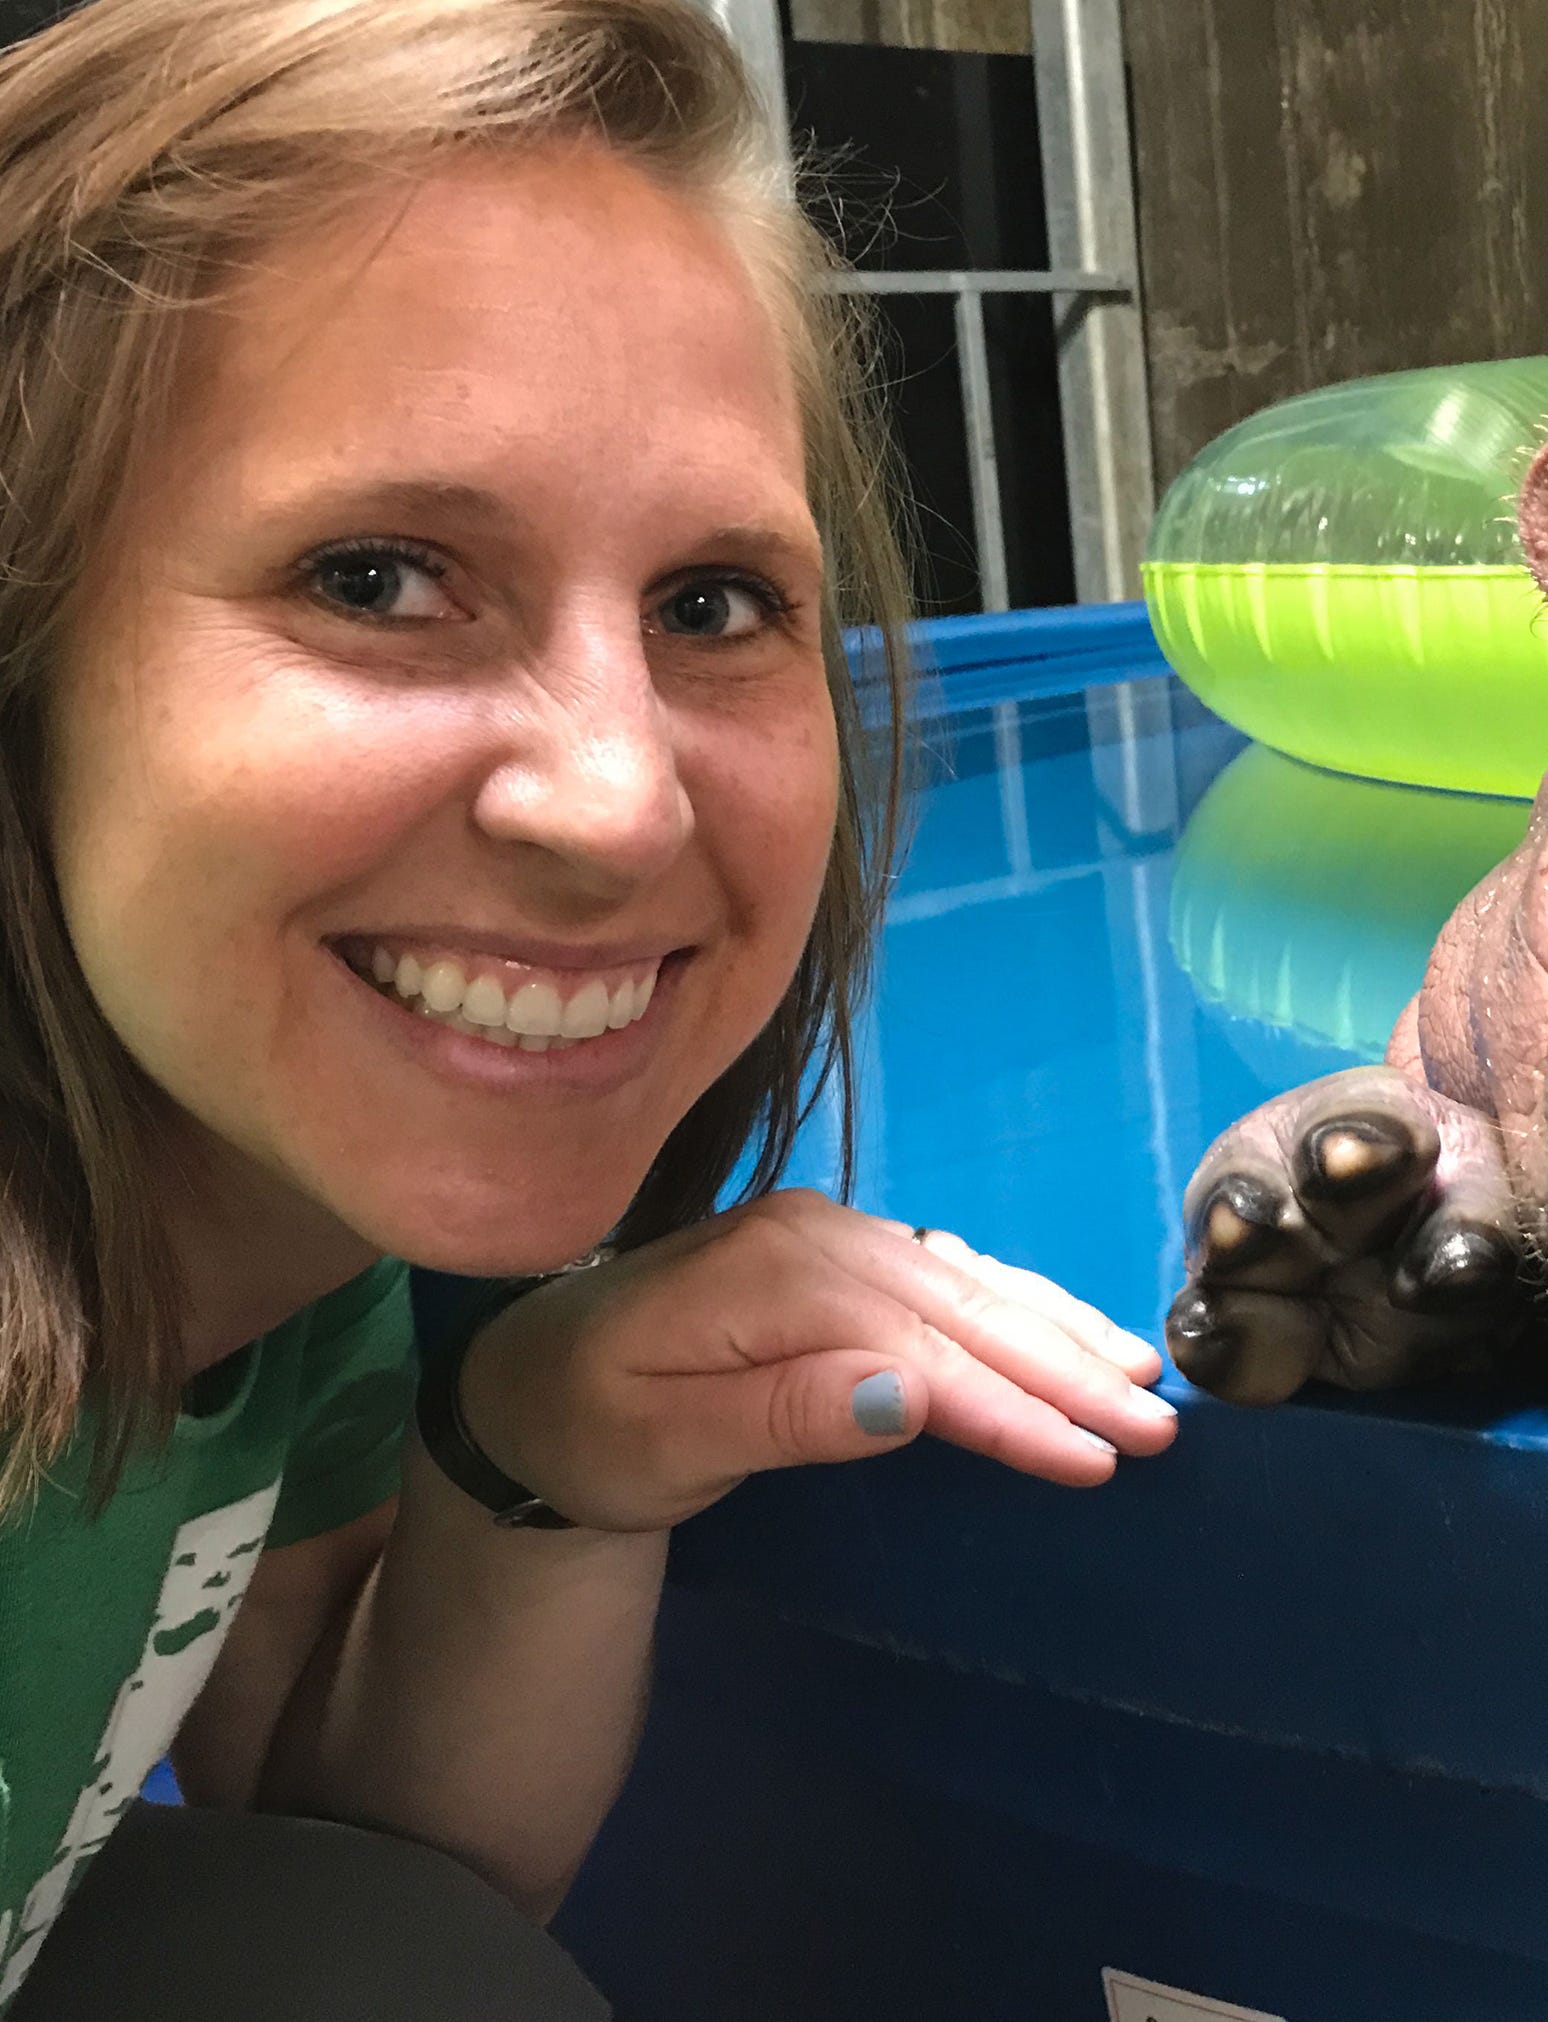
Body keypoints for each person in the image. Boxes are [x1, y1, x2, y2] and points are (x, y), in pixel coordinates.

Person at [0, 0, 1180, 2013]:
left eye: (713, 605)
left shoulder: (274, 1245)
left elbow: (352, 1873)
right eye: (377, 578)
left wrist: (539, 1454)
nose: (618, 803)